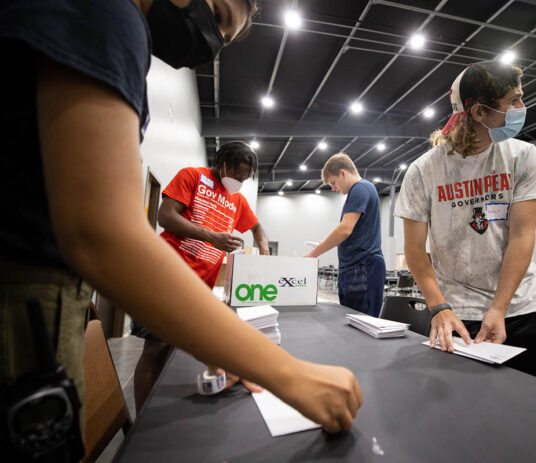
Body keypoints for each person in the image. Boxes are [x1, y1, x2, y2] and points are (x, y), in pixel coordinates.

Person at [0, 0, 362, 448]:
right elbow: (105, 235)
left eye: (223, 38)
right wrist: (288, 374)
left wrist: (260, 255)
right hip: (27, 304)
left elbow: (254, 228)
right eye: (216, 12)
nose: (210, 40)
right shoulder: (109, 15)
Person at [394, 60, 536, 384]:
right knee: (466, 415)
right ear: (479, 113)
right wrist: (438, 306)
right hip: (456, 314)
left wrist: (499, 307)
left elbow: (522, 235)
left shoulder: (523, 156)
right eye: (512, 100)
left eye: (520, 97)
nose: (521, 107)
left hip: (523, 306)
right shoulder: (423, 171)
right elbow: (415, 250)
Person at [132, 141, 271, 412]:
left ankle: (154, 415)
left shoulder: (238, 200)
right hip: (167, 275)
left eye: (245, 178)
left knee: (172, 352)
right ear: (221, 164)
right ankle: (141, 422)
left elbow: (258, 229)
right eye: (236, 174)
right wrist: (211, 236)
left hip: (197, 288)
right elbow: (165, 216)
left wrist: (263, 247)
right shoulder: (193, 176)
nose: (239, 181)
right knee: (155, 350)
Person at [304, 154, 386, 317]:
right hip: (355, 267)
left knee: (363, 323)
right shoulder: (361, 190)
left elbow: (345, 229)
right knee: (352, 322)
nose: (333, 188)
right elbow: (351, 232)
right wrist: (329, 242)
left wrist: (314, 254)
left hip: (363, 267)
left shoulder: (360, 188)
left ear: (343, 173)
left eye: (333, 182)